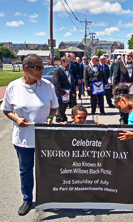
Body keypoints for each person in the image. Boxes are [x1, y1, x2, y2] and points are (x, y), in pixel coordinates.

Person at [0, 54, 58, 216]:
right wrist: (17, 119)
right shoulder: (13, 86)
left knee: (46, 169)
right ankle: (27, 199)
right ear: (26, 69)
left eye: (42, 66)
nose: (42, 70)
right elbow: (6, 110)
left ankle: (46, 198)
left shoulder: (47, 86)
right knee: (26, 170)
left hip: (44, 138)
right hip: (23, 139)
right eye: (38, 68)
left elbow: (55, 107)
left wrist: (51, 118)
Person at [113, 51, 133, 124]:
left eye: (131, 56)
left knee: (130, 102)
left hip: (131, 86)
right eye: (128, 55)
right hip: (122, 86)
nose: (129, 57)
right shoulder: (119, 63)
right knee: (122, 102)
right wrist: (114, 88)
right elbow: (115, 76)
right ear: (125, 55)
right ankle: (122, 118)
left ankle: (129, 117)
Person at [53, 56, 76, 122]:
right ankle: (63, 120)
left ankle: (58, 117)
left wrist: (73, 91)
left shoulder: (69, 70)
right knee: (61, 107)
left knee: (65, 106)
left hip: (68, 92)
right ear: (62, 62)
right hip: (60, 92)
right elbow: (56, 83)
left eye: (69, 62)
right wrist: (62, 93)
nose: (69, 63)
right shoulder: (57, 70)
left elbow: (71, 81)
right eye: (67, 62)